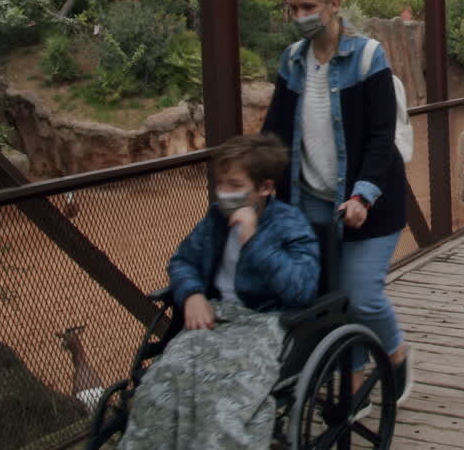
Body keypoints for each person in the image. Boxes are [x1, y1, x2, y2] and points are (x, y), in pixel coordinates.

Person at [262, 0, 414, 405]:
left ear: (333, 5)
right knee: (322, 297)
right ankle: (353, 381)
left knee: (362, 296)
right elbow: (274, 131)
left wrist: (362, 194)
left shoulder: (368, 57)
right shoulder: (292, 61)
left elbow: (381, 137)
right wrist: (254, 179)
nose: (300, 16)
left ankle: (396, 353)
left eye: (308, 7)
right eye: (292, 8)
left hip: (372, 200)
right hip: (309, 197)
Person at [119, 134, 319, 450]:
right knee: (167, 375)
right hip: (215, 316)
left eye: (235, 185)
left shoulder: (289, 225)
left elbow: (301, 289)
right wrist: (193, 294)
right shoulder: (215, 218)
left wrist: (255, 241)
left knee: (224, 394)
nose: (225, 193)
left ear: (265, 188)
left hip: (264, 323)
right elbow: (183, 260)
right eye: (222, 184)